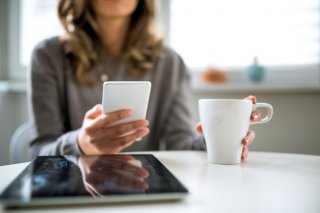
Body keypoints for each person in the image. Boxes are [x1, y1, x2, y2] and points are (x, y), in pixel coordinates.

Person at [28, 0, 259, 160]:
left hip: (145, 186)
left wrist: (222, 139)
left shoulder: (169, 62)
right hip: (72, 188)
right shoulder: (48, 56)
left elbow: (181, 145)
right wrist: (80, 144)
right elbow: (39, 152)